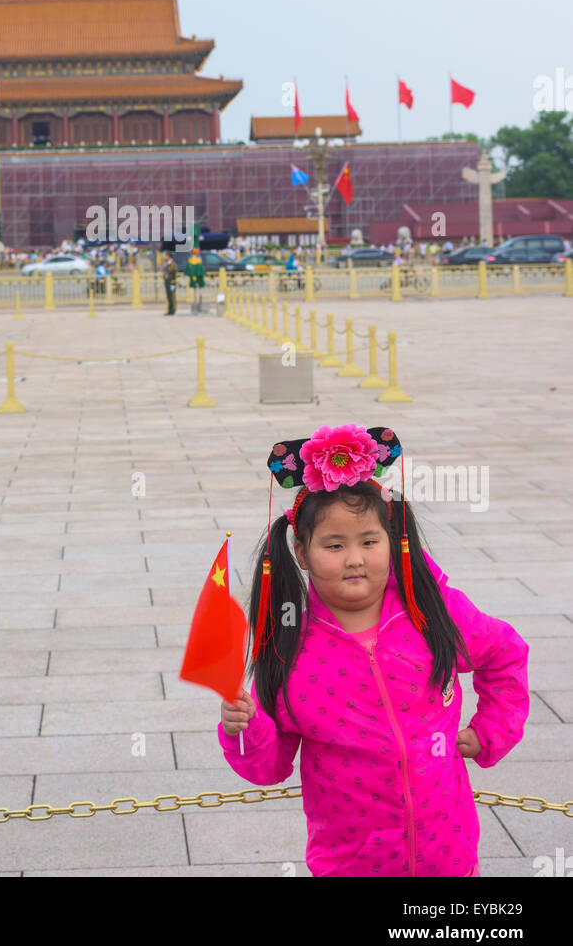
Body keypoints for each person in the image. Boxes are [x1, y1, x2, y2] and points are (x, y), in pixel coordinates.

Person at [219, 423, 528, 878]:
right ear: (301, 552)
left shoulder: (431, 613)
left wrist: (491, 730)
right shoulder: (287, 645)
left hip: (449, 852)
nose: (355, 559)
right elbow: (269, 765)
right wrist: (244, 729)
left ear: (393, 539)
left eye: (369, 541)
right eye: (334, 545)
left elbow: (504, 654)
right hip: (352, 862)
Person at [186, 248, 205, 313]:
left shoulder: (195, 258)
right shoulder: (194, 258)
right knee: (196, 289)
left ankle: (198, 302)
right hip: (195, 275)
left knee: (198, 289)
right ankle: (196, 302)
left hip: (196, 275)